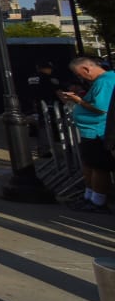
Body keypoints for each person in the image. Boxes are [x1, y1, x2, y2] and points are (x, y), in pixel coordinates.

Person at [63, 56, 115, 213]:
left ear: (86, 69)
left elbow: (101, 108)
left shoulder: (105, 81)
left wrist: (78, 100)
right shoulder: (102, 81)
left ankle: (98, 201)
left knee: (99, 166)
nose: (80, 78)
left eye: (80, 74)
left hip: (99, 131)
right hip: (91, 131)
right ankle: (90, 196)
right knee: (90, 164)